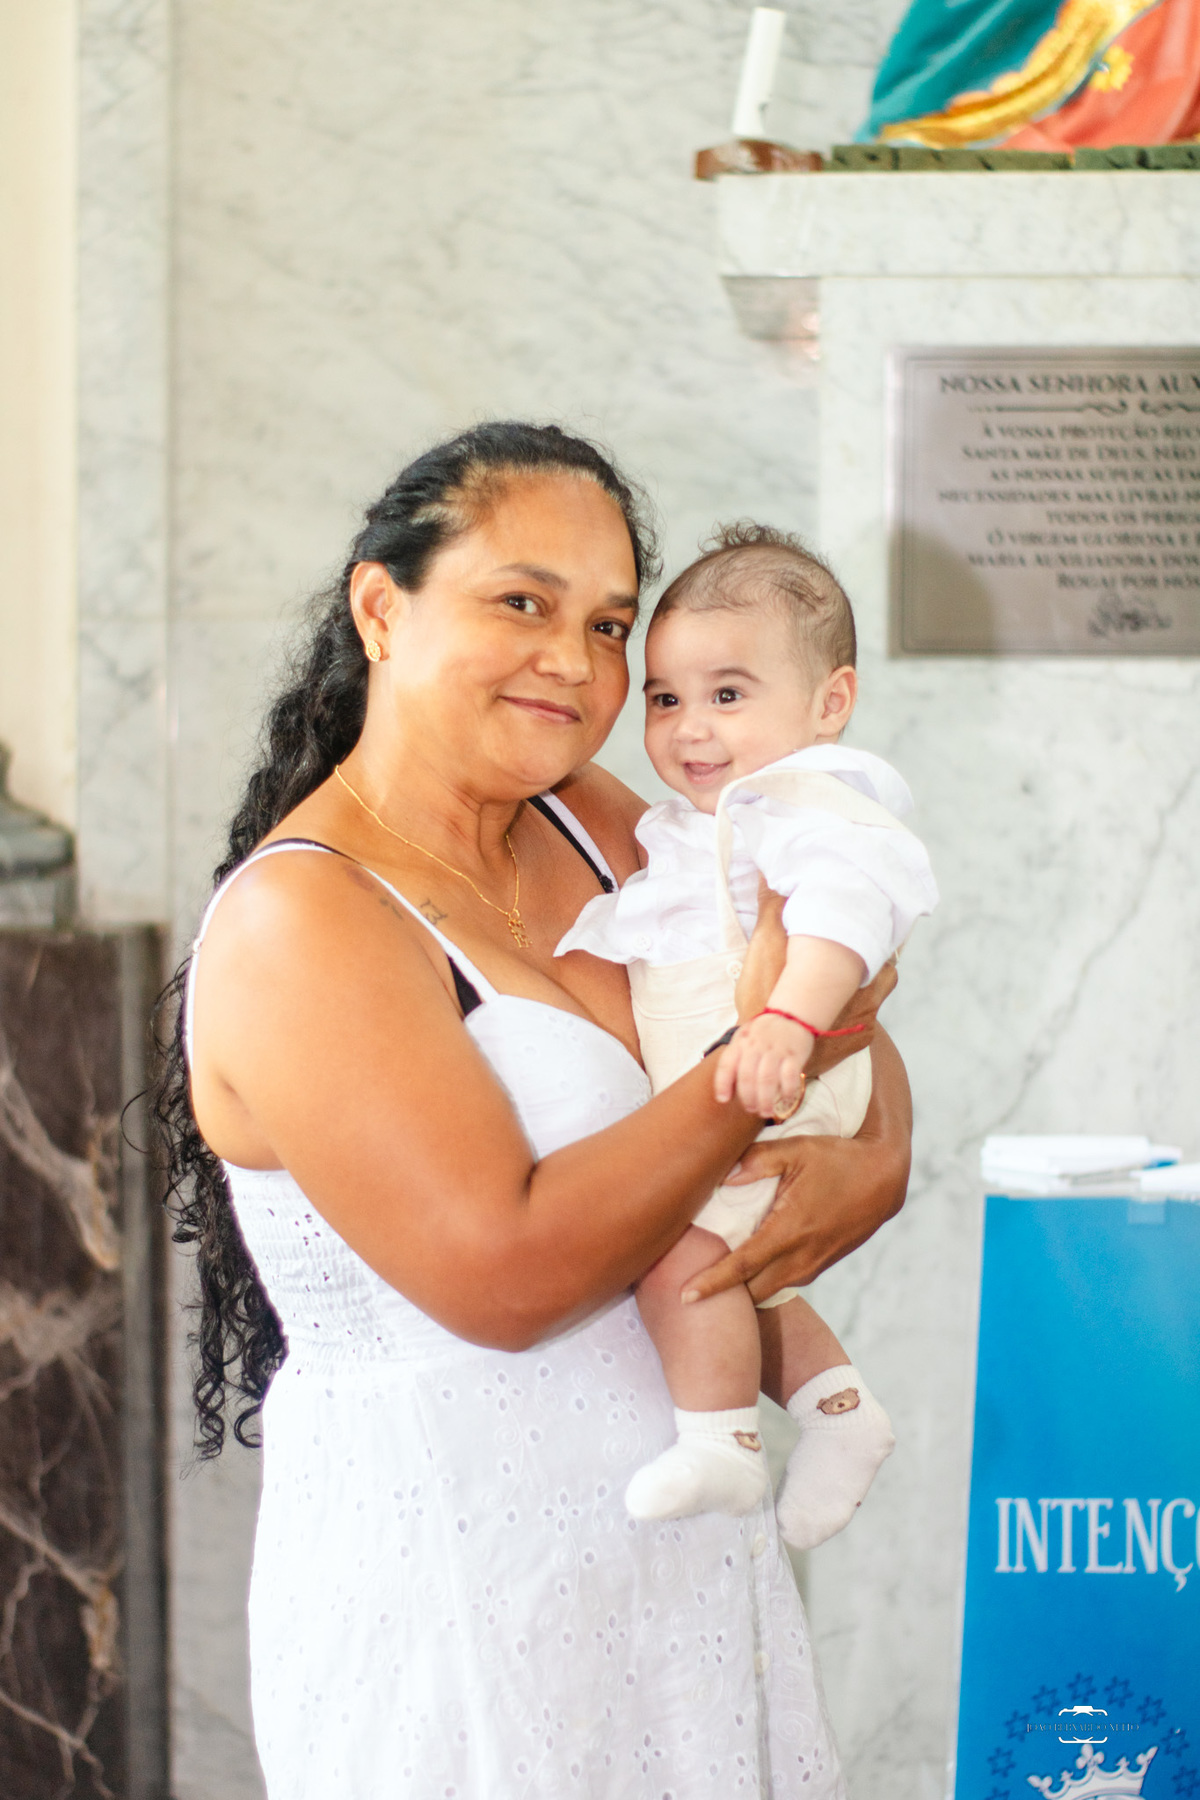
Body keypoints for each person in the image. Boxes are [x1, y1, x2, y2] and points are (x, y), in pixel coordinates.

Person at [157, 421, 914, 1799]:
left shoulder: (588, 818)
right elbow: (502, 1278)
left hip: (675, 1561)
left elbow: (816, 963)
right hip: (458, 1585)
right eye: (523, 602)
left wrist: (887, 1145)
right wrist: (753, 1087)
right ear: (382, 609)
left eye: (612, 622)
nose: (575, 661)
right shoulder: (301, 919)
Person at [557, 524, 938, 1550]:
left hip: (783, 1068)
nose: (691, 728)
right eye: (667, 698)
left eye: (730, 695)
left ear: (831, 704)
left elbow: (844, 918)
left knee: (683, 1253)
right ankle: (836, 1411)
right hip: (755, 1067)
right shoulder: (702, 816)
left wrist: (787, 1020)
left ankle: (725, 1441)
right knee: (734, 1265)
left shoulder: (811, 804)